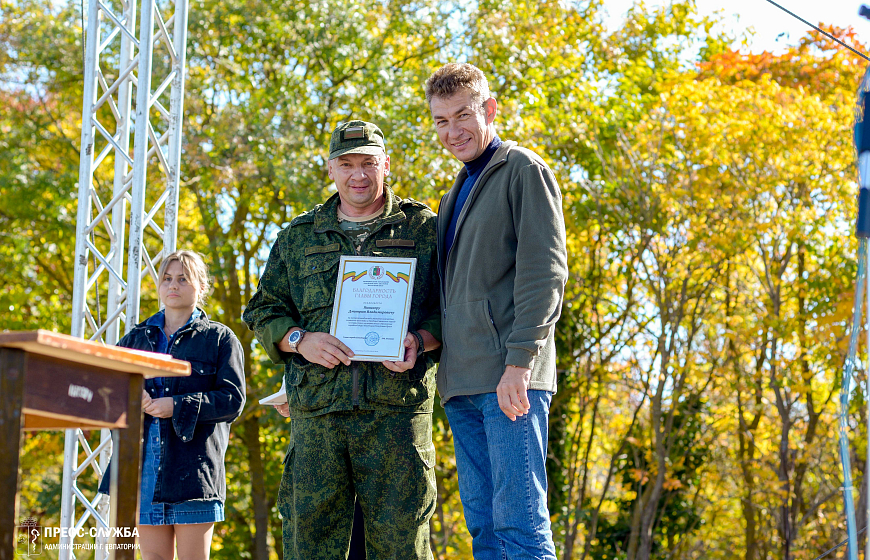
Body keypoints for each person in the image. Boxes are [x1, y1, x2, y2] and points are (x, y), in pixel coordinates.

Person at [243, 120, 441, 560]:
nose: (359, 175)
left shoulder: (423, 228)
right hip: (318, 415)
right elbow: (263, 309)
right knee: (310, 543)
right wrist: (299, 339)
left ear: (386, 165)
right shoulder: (299, 236)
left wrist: (422, 340)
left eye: (369, 163)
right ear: (330, 169)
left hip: (397, 415)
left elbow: (453, 306)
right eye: (347, 164)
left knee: (401, 545)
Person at [424, 63, 568, 560]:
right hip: (461, 383)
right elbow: (451, 293)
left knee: (521, 526)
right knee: (485, 532)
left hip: (509, 380)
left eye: (462, 115)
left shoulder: (523, 170)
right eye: (441, 121)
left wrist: (519, 363)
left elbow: (544, 274)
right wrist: (422, 342)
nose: (452, 131)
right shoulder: (453, 194)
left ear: (489, 110)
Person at [99, 250, 246, 560]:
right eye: (167, 279)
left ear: (201, 286)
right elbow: (104, 390)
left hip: (192, 474)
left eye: (183, 278)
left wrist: (177, 405)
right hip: (141, 472)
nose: (173, 285)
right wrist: (129, 394)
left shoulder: (220, 339)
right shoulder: (135, 339)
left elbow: (232, 400)